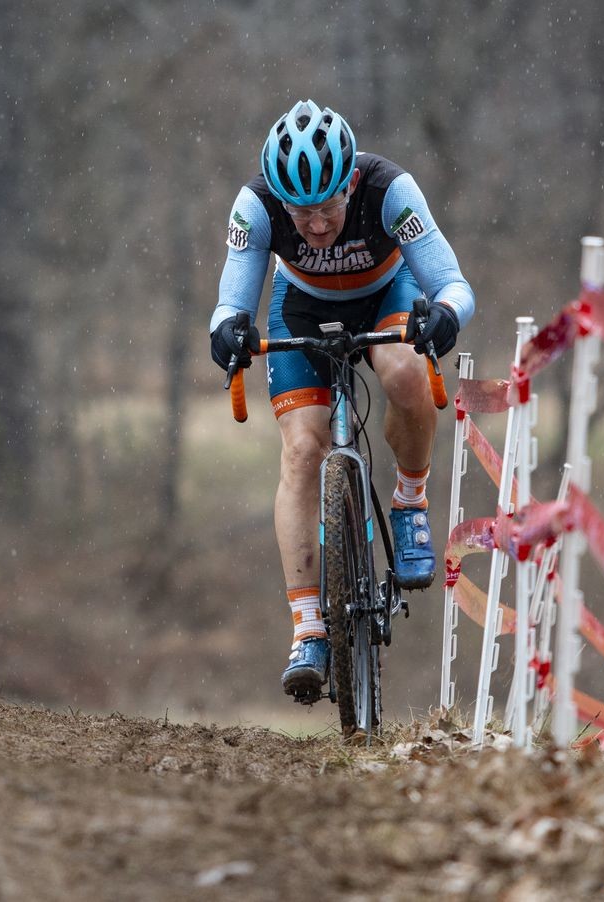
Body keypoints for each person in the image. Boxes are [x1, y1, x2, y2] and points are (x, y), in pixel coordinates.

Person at [210, 100, 475, 700]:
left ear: (350, 181)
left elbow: (454, 285)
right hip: (299, 306)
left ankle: (409, 504)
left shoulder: (391, 191)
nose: (320, 225)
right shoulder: (255, 207)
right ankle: (307, 629)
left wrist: (446, 316)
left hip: (387, 294)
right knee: (303, 452)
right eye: (303, 213)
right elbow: (232, 299)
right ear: (281, 200)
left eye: (329, 206)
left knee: (404, 372)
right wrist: (226, 329)